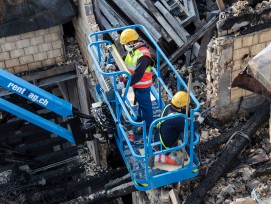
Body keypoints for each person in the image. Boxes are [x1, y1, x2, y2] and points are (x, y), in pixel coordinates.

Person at [151, 91, 205, 166]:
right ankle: (158, 157)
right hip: (164, 147)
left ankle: (162, 151)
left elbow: (181, 110)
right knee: (180, 161)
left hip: (158, 137)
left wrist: (190, 113)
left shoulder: (168, 106)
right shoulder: (178, 119)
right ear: (182, 106)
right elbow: (189, 129)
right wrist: (198, 122)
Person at [120, 28, 154, 135]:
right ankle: (140, 119)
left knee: (145, 105)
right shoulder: (134, 49)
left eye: (125, 43)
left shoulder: (143, 55)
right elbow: (128, 58)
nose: (124, 46)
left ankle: (148, 126)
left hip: (142, 85)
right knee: (141, 102)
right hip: (137, 84)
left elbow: (138, 74)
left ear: (131, 42)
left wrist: (124, 84)